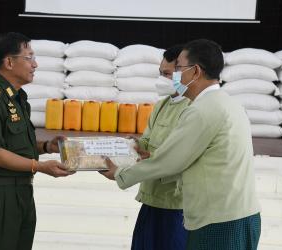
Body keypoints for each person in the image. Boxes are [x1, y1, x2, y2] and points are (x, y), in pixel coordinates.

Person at [101, 39, 261, 250]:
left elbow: (170, 162)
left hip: (218, 222)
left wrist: (120, 173)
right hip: (240, 215)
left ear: (195, 72)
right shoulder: (229, 104)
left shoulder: (202, 110)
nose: (174, 75)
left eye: (177, 69)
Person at [0, 32, 73, 250]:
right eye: (29, 57)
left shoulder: (18, 98)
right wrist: (39, 166)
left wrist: (46, 147)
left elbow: (15, 144)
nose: (35, 64)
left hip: (22, 193)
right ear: (9, 62)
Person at [129, 45, 190, 250]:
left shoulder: (193, 108)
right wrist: (134, 145)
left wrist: (149, 156)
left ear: (185, 73)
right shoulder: (162, 105)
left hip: (176, 205)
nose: (161, 79)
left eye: (167, 74)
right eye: (160, 73)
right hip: (151, 198)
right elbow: (147, 140)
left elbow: (183, 156)